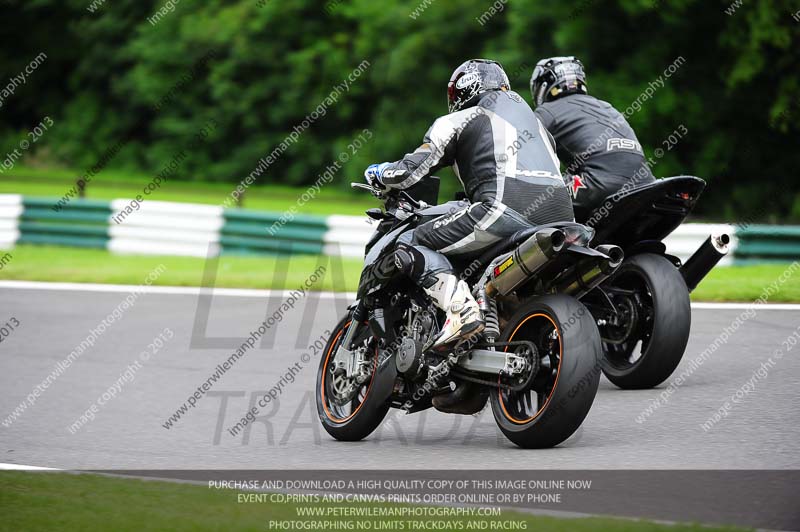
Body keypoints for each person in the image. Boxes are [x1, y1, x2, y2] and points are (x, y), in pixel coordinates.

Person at [364, 59, 573, 350]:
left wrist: (379, 172)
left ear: (462, 88)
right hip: (562, 218)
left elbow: (410, 170)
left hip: (502, 210)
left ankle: (460, 310)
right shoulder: (536, 125)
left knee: (408, 241)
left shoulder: (462, 117)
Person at [530, 56, 655, 222]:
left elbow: (524, 156)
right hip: (646, 185)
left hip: (598, 185)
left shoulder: (546, 112)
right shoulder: (607, 107)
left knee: (531, 194)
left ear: (543, 85)